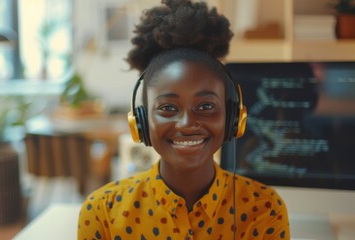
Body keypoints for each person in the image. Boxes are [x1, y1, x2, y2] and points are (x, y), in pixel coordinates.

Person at [77, 0, 290, 239]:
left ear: (233, 116)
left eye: (206, 106)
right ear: (142, 121)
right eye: (168, 108)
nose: (187, 123)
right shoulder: (103, 212)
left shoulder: (263, 210)